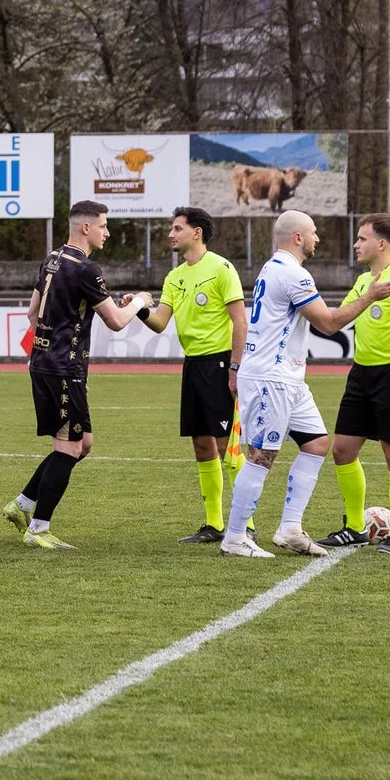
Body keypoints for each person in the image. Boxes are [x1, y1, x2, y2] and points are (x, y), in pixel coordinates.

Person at [219, 210, 390, 559]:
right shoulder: (293, 273)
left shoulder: (274, 267)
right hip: (270, 378)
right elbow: (329, 323)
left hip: (288, 377)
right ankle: (234, 537)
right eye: (314, 233)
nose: (319, 238)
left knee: (317, 444)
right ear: (298, 238)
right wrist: (370, 297)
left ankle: (289, 528)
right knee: (262, 455)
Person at [1, 200, 154, 550]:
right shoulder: (87, 269)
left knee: (82, 444)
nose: (107, 232)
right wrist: (141, 301)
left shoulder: (51, 259)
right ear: (86, 227)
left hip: (43, 363)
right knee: (69, 448)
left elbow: (31, 312)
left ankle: (21, 504)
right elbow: (116, 321)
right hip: (62, 369)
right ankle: (39, 527)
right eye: (103, 225)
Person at [139, 206, 247, 543]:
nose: (171, 235)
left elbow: (241, 322)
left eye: (177, 228)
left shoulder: (221, 269)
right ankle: (214, 525)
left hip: (219, 363)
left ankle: (246, 523)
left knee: (225, 446)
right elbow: (158, 324)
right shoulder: (175, 277)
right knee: (202, 446)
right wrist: (139, 308)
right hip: (193, 365)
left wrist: (234, 367)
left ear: (196, 232)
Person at [322, 213, 390, 554]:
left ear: (381, 244)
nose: (355, 244)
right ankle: (354, 527)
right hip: (360, 374)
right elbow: (342, 315)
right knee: (342, 450)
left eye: (362, 238)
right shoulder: (364, 281)